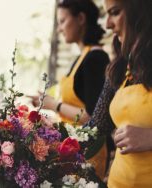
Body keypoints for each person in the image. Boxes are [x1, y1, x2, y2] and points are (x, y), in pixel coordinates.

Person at [30, 0, 109, 178]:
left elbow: (92, 117)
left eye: (63, 21)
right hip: (75, 148)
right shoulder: (83, 57)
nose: (59, 28)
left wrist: (54, 105)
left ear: (80, 18)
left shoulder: (95, 58)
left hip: (89, 152)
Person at [85, 0, 152, 187]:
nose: (107, 24)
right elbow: (95, 128)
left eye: (114, 12)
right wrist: (45, 139)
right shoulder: (120, 68)